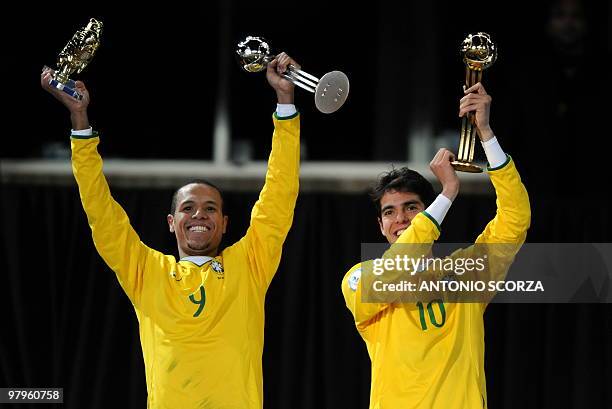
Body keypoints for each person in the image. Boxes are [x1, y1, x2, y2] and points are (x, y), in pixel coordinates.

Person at [41, 53, 300, 408]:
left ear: (224, 224)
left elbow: (279, 195)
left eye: (211, 209)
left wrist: (285, 103)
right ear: (171, 222)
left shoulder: (250, 265)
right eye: (188, 208)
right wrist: (80, 122)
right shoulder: (147, 272)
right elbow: (102, 213)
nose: (199, 215)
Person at [341, 83, 531, 408]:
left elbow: (515, 218)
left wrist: (485, 134)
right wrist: (446, 195)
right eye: (390, 212)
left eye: (411, 207)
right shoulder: (359, 278)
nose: (400, 218)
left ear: (428, 215)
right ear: (380, 226)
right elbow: (395, 271)